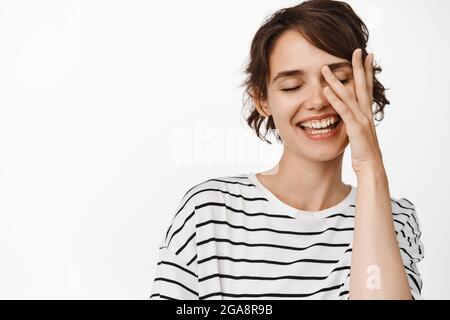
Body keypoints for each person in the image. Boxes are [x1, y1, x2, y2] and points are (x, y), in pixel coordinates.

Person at [149, 0, 424, 300]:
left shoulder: (394, 218)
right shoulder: (208, 212)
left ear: (364, 86)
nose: (318, 100)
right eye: (292, 85)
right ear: (262, 100)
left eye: (339, 80)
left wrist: (370, 167)